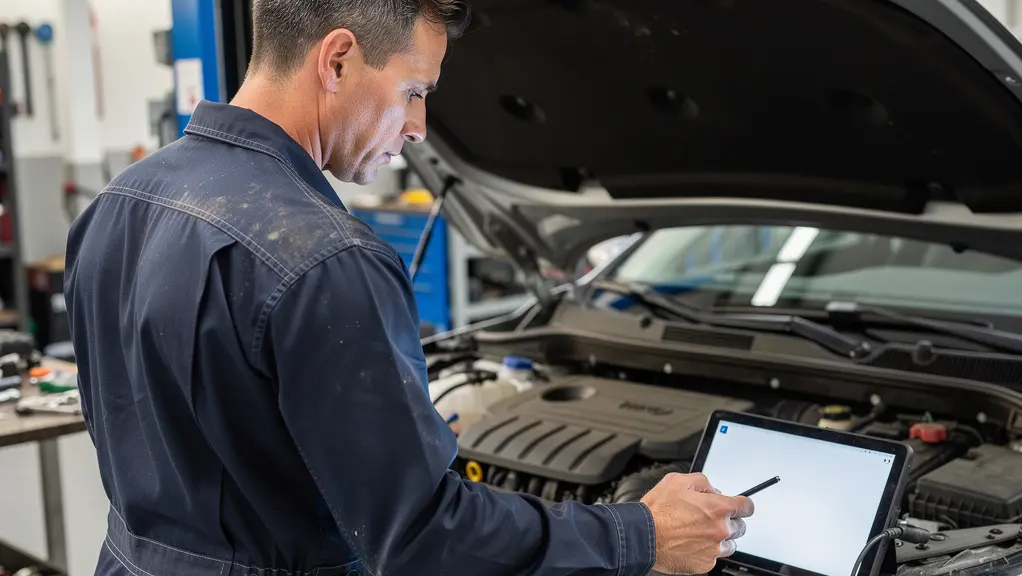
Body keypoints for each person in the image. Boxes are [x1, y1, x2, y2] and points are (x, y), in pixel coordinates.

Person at [64, 1, 755, 575]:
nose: (420, 128)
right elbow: (425, 540)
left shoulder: (118, 205)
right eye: (414, 92)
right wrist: (641, 535)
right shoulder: (327, 258)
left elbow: (196, 440)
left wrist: (386, 441)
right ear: (336, 60)